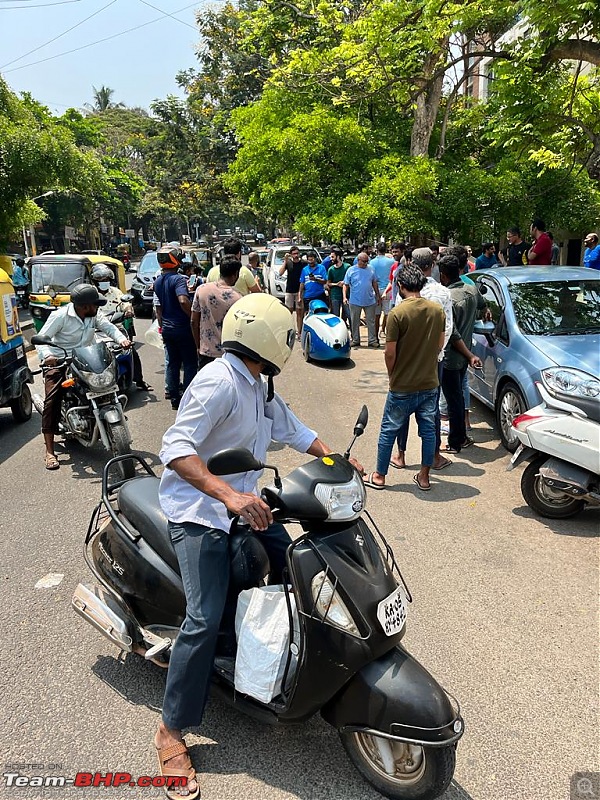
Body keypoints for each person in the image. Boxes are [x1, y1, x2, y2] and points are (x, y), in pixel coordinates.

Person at [154, 294, 363, 799]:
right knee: (202, 618)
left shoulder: (258, 385)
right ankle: (171, 730)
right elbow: (175, 448)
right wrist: (228, 495)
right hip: (200, 511)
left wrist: (337, 461)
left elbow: (294, 430)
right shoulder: (218, 382)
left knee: (296, 566)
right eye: (287, 337)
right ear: (268, 340)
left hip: (249, 503)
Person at [363, 265, 445, 492]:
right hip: (429, 383)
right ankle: (425, 477)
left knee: (388, 429)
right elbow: (440, 344)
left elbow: (390, 353)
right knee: (428, 430)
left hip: (402, 385)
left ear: (400, 285)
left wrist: (393, 374)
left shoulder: (397, 313)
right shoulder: (437, 311)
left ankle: (379, 476)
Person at [35, 284, 131, 470]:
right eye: (94, 305)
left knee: (108, 383)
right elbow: (41, 338)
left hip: (85, 358)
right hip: (61, 359)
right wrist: (48, 357)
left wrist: (122, 340)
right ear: (84, 306)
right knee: (52, 399)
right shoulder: (60, 316)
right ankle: (49, 450)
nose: (97, 308)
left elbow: (109, 328)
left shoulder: (94, 315)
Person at [390, 249, 454, 472]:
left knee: (401, 406)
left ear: (412, 263)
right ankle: (434, 456)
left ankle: (400, 454)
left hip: (406, 360)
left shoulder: (403, 292)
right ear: (433, 264)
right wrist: (434, 353)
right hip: (433, 362)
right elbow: (447, 329)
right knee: (431, 410)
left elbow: (396, 330)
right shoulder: (443, 293)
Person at [438, 255, 485, 454]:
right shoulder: (472, 289)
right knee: (457, 397)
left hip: (451, 357)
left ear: (443, 275)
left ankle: (457, 441)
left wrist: (468, 355)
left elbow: (452, 333)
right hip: (464, 355)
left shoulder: (448, 298)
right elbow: (483, 308)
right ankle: (461, 437)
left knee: (454, 400)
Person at [91, 265, 152, 391]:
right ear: (95, 281)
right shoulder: (90, 293)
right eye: (101, 279)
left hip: (116, 327)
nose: (104, 282)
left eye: (106, 279)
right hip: (94, 331)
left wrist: (128, 310)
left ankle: (139, 380)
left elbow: (126, 303)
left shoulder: (115, 291)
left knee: (132, 352)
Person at [153, 245, 198, 411]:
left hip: (167, 328)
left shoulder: (158, 281)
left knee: (172, 363)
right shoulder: (178, 279)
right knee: (190, 363)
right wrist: (193, 316)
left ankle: (174, 398)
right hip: (182, 328)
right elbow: (182, 301)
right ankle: (188, 397)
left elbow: (161, 307)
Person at [191, 258, 241, 370]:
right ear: (236, 274)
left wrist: (198, 346)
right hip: (229, 354)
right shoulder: (237, 298)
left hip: (206, 351)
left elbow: (194, 321)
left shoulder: (201, 289)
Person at [343, 252, 380, 348]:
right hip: (355, 300)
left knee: (370, 321)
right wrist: (344, 297)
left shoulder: (371, 269)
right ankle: (355, 340)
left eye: (367, 261)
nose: (365, 263)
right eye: (364, 261)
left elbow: (374, 283)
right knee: (354, 321)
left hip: (369, 300)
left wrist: (378, 295)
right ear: (358, 260)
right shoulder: (351, 270)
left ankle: (372, 340)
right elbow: (345, 285)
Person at [369, 242, 395, 338]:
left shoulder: (371, 262)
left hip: (375, 290)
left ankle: (375, 337)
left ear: (377, 250)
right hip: (388, 289)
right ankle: (389, 337)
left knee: (376, 315)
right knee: (388, 314)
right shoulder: (391, 261)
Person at [279, 246, 305, 338]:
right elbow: (280, 273)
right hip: (289, 290)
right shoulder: (288, 263)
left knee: (299, 312)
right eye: (294, 254)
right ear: (291, 255)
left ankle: (299, 332)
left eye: (297, 253)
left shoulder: (303, 263)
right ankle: (288, 330)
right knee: (288, 311)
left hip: (299, 291)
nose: (296, 255)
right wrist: (285, 260)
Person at [326, 247, 349, 324]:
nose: (331, 259)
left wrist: (344, 282)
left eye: (333, 257)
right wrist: (336, 284)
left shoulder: (347, 267)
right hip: (335, 295)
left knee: (348, 315)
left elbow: (351, 280)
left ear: (338, 257)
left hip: (346, 295)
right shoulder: (331, 269)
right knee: (335, 316)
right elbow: (328, 283)